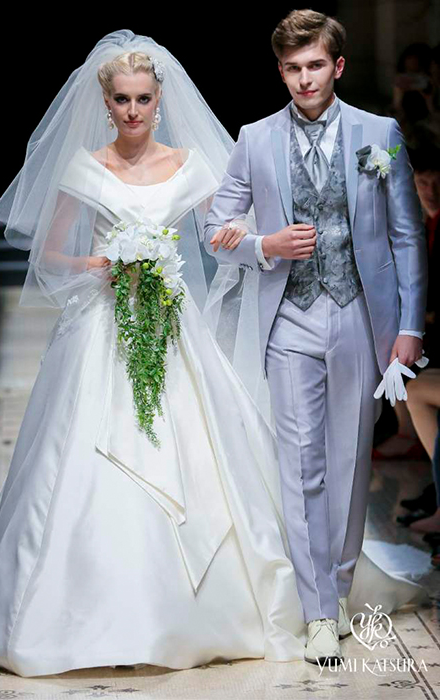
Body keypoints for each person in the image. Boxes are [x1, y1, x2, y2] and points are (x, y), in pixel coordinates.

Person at [0, 30, 427, 677]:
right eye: (122, 100)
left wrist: (262, 244)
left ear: (159, 99)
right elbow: (53, 255)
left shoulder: (192, 165)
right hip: (101, 330)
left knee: (208, 455)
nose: (133, 111)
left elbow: (224, 232)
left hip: (173, 328)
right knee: (82, 453)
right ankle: (76, 609)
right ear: (105, 101)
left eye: (143, 99)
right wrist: (102, 263)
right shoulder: (83, 168)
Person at [204, 10, 428, 665]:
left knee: (350, 462)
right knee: (300, 465)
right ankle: (318, 611)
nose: (304, 78)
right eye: (292, 68)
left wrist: (409, 326)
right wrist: (262, 245)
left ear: (337, 65)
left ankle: (338, 586)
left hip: (359, 316)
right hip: (288, 318)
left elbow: (406, 233)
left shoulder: (379, 134)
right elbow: (216, 231)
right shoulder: (254, 139)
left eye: (315, 65)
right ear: (280, 71)